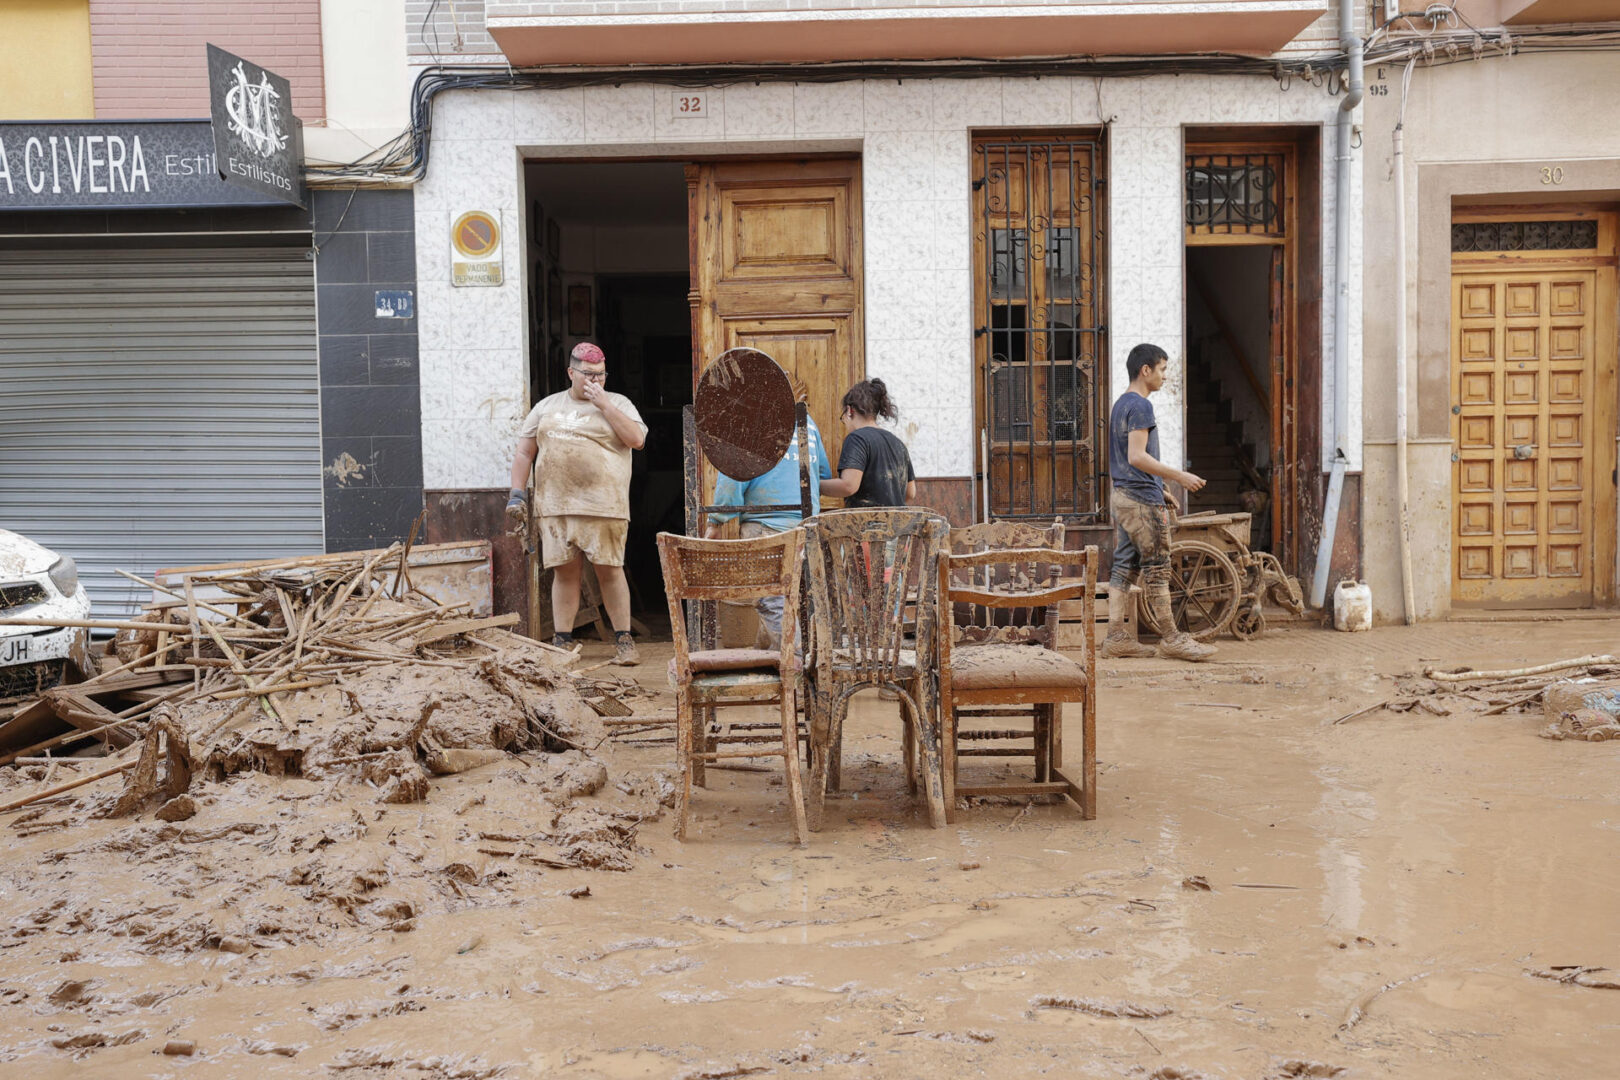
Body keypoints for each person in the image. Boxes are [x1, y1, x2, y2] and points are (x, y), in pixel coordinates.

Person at [506, 342, 647, 666]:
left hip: (604, 506)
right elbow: (525, 453)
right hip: (555, 507)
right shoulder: (546, 407)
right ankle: (562, 642)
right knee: (565, 574)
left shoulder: (619, 403)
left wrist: (605, 405)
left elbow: (637, 440)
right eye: (587, 375)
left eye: (600, 375)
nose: (595, 381)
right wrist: (517, 492)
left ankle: (624, 641)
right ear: (571, 372)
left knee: (610, 572)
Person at [1103, 343, 1217, 662]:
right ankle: (1171, 638)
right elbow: (1137, 456)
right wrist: (1180, 477)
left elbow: (1128, 460)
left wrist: (1161, 487)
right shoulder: (1141, 406)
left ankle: (1115, 638)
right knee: (1158, 567)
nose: (1166, 376)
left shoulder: (1120, 405)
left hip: (1124, 497)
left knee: (1124, 567)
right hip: (1140, 501)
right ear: (1146, 371)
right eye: (1163, 369)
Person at [704, 376, 832, 651]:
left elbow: (732, 478)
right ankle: (769, 656)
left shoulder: (750, 422)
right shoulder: (807, 424)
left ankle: (794, 663)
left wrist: (715, 520)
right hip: (806, 526)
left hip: (767, 526)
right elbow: (820, 475)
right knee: (793, 598)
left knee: (772, 600)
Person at [820, 378, 915, 507]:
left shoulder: (857, 438)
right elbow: (910, 493)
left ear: (850, 410)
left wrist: (812, 485)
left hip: (867, 524)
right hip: (897, 524)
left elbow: (848, 486)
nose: (845, 424)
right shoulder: (898, 443)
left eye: (843, 419)